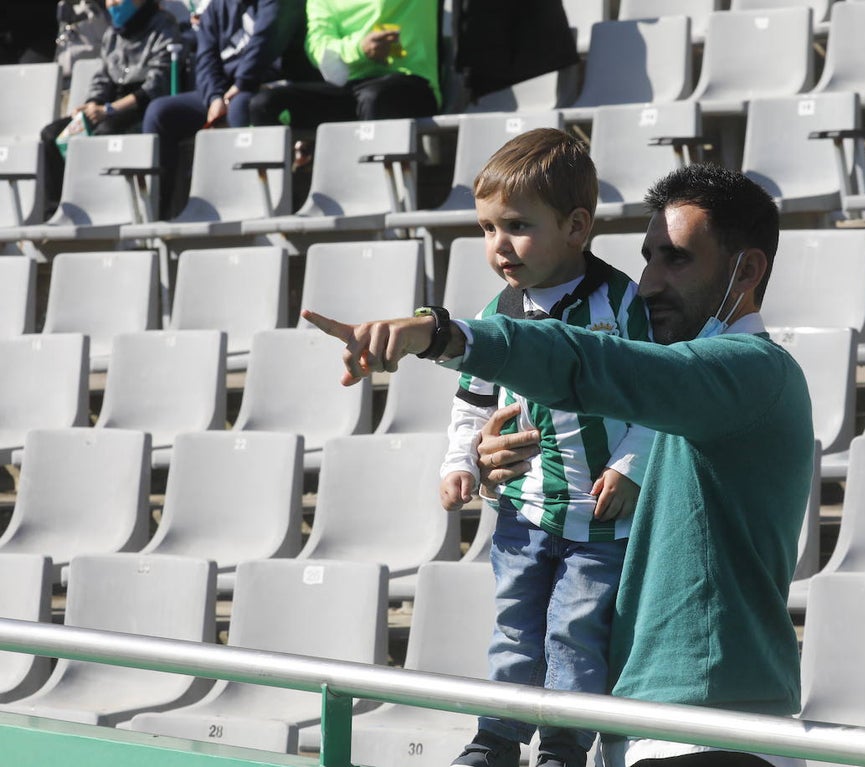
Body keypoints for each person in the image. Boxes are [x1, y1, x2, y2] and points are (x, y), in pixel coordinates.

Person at [303, 163, 813, 767]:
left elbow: (593, 362)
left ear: (746, 270)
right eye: (647, 258)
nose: (647, 284)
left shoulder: (753, 369)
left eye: (675, 259)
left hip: (712, 734)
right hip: (638, 726)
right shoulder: (679, 383)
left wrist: (444, 335)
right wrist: (505, 471)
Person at [436, 128, 653, 767]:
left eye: (517, 226)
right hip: (521, 512)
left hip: (599, 519)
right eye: (486, 229)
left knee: (575, 633)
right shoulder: (499, 310)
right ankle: (496, 741)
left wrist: (631, 463)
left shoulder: (623, 303)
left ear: (576, 226)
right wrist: (461, 461)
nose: (498, 246)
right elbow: (472, 403)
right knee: (512, 629)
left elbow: (659, 397)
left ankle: (564, 746)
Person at [141, 0, 305, 215]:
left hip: (268, 85)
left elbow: (266, 40)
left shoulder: (279, 4)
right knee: (160, 113)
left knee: (240, 107)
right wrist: (214, 97)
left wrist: (241, 83)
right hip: (224, 91)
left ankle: (247, 209)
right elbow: (206, 59)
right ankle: (158, 216)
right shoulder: (216, 8)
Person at [38, 0, 180, 213]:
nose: (112, 3)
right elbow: (102, 77)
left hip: (140, 107)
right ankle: (59, 212)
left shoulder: (163, 25)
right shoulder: (113, 33)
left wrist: (110, 110)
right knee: (52, 135)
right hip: (107, 106)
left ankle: (102, 209)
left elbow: (156, 85)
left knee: (104, 133)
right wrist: (90, 105)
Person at [248, 0, 439, 130]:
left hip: (414, 84)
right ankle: (278, 188)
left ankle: (372, 188)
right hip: (350, 89)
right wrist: (360, 49)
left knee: (373, 98)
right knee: (264, 104)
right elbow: (318, 46)